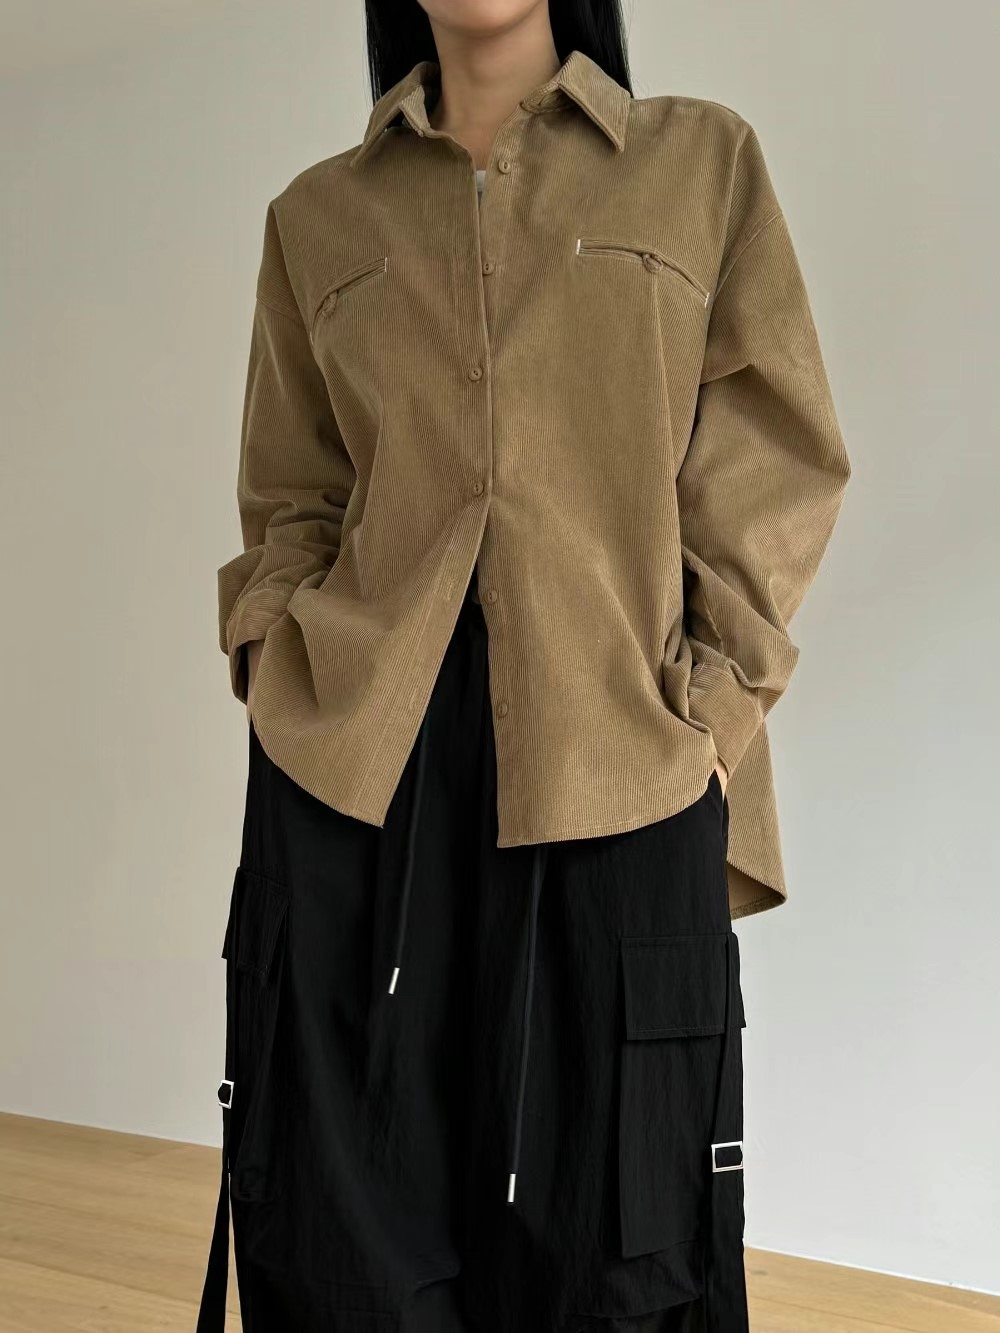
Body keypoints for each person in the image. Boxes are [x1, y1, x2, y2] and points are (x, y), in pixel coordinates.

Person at [196, 2, 851, 1330]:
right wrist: (274, 656)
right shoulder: (317, 215)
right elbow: (292, 496)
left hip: (622, 750)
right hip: (359, 773)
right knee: (342, 1245)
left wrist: (711, 712)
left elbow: (778, 457)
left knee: (619, 1247)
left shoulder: (700, 163)